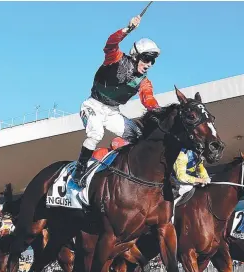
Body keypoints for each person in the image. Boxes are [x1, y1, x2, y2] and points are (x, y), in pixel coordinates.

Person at [71, 15, 161, 188]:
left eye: (153, 61)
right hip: (93, 106)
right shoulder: (116, 59)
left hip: (112, 112)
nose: (149, 64)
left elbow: (148, 99)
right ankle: (79, 170)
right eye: (147, 59)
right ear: (136, 55)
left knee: (138, 135)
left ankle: (113, 160)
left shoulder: (144, 81)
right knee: (95, 133)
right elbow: (110, 44)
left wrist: (157, 111)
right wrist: (128, 28)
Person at [172, 148, 211, 213]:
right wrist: (200, 180)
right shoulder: (183, 156)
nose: (203, 160)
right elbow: (181, 177)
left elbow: (201, 168)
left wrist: (206, 177)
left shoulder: (198, 155)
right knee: (188, 187)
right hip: (173, 177)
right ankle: (171, 208)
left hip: (184, 177)